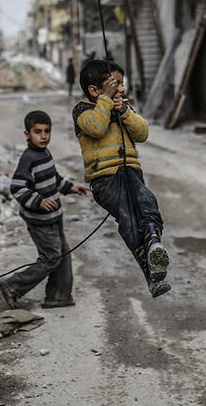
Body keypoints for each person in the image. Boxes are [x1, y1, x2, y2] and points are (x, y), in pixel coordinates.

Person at [72, 60, 170, 298]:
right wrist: (106, 101)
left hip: (131, 172)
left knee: (148, 204)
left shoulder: (123, 107)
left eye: (121, 84)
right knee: (128, 220)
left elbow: (143, 133)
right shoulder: (83, 110)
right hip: (105, 179)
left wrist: (125, 112)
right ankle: (150, 273)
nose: (122, 89)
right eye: (115, 84)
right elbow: (96, 128)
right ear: (95, 90)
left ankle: (154, 244)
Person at [0, 111, 89, 309]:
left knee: (62, 254)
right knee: (51, 258)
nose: (43, 136)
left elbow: (53, 177)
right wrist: (38, 201)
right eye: (37, 132)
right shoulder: (28, 158)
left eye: (47, 131)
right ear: (27, 134)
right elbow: (17, 187)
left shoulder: (45, 153)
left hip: (54, 217)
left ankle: (59, 295)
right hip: (39, 221)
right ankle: (13, 286)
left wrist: (70, 188)